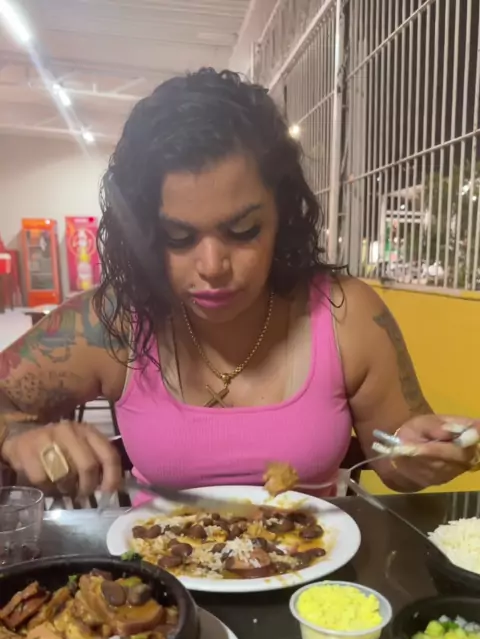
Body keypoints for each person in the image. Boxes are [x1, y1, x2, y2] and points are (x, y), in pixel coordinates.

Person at [0, 68, 477, 498]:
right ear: (142, 234)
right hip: (157, 569)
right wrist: (16, 436)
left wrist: (422, 455)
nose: (213, 266)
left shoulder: (346, 314)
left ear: (283, 216)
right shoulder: (116, 322)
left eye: (244, 230)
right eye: (178, 237)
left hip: (314, 567)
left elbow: (396, 462)